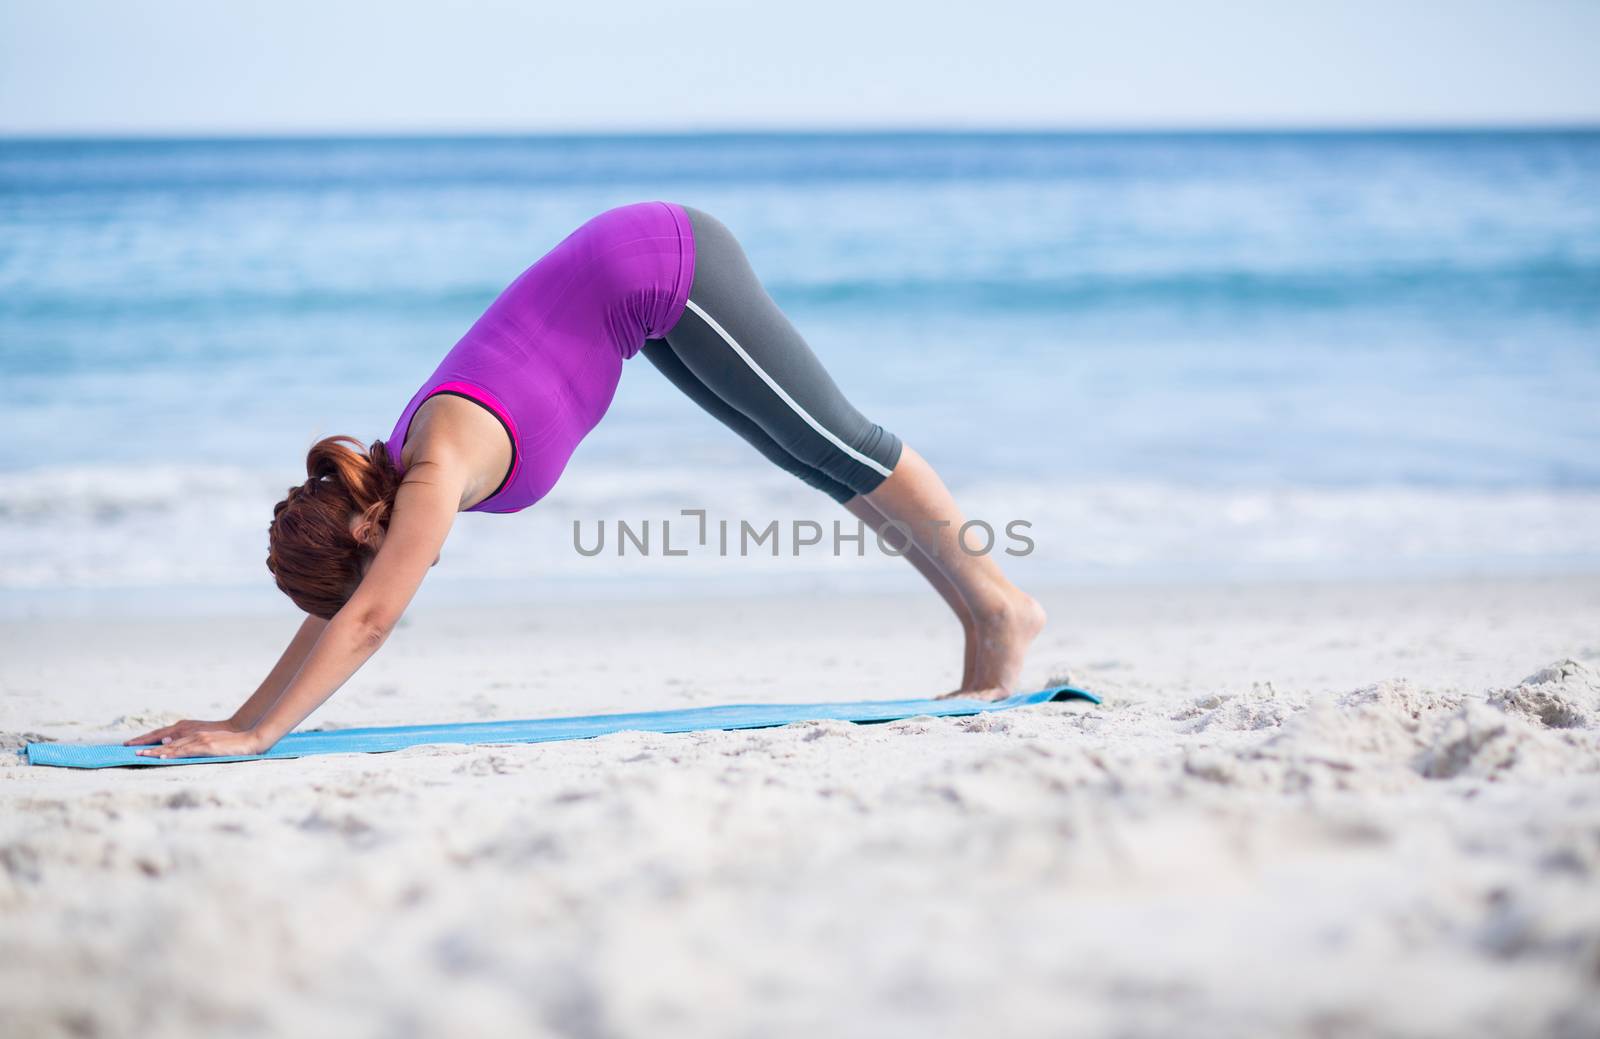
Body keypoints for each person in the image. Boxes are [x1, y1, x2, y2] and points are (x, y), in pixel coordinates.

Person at [129, 202, 1045, 759]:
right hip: (635, 295)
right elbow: (344, 608)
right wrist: (235, 715)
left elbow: (365, 622)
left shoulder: (432, 474)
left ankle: (999, 608)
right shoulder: (389, 479)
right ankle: (980, 612)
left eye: (376, 566)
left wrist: (258, 737)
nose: (407, 574)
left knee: (836, 437)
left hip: (663, 263)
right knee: (805, 456)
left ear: (370, 533)